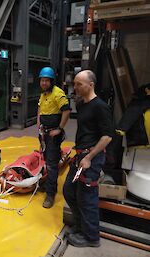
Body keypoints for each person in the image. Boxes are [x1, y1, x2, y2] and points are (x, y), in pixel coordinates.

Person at [63, 70, 113, 247]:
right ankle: (80, 226)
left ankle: (91, 238)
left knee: (87, 198)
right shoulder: (82, 104)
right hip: (80, 156)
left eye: (79, 84)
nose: (75, 87)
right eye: (75, 83)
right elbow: (86, 131)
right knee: (69, 190)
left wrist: (90, 157)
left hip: (91, 159)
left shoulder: (100, 107)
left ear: (91, 85)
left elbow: (107, 136)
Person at [37, 67, 70, 208]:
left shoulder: (58, 93)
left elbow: (66, 111)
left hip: (53, 135)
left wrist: (59, 129)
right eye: (42, 80)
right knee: (46, 160)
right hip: (44, 133)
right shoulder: (43, 94)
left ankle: (50, 194)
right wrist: (39, 126)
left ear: (51, 81)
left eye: (46, 80)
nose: (44, 83)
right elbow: (39, 110)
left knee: (51, 164)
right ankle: (48, 183)